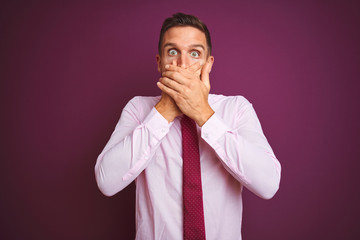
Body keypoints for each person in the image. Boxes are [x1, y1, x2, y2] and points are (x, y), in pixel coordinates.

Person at [95, 13, 281, 240]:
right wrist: (163, 111)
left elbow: (268, 184)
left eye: (195, 53)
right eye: (172, 52)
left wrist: (203, 113)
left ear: (208, 64)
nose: (183, 64)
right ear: (159, 62)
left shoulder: (236, 109)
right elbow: (106, 181)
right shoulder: (138, 109)